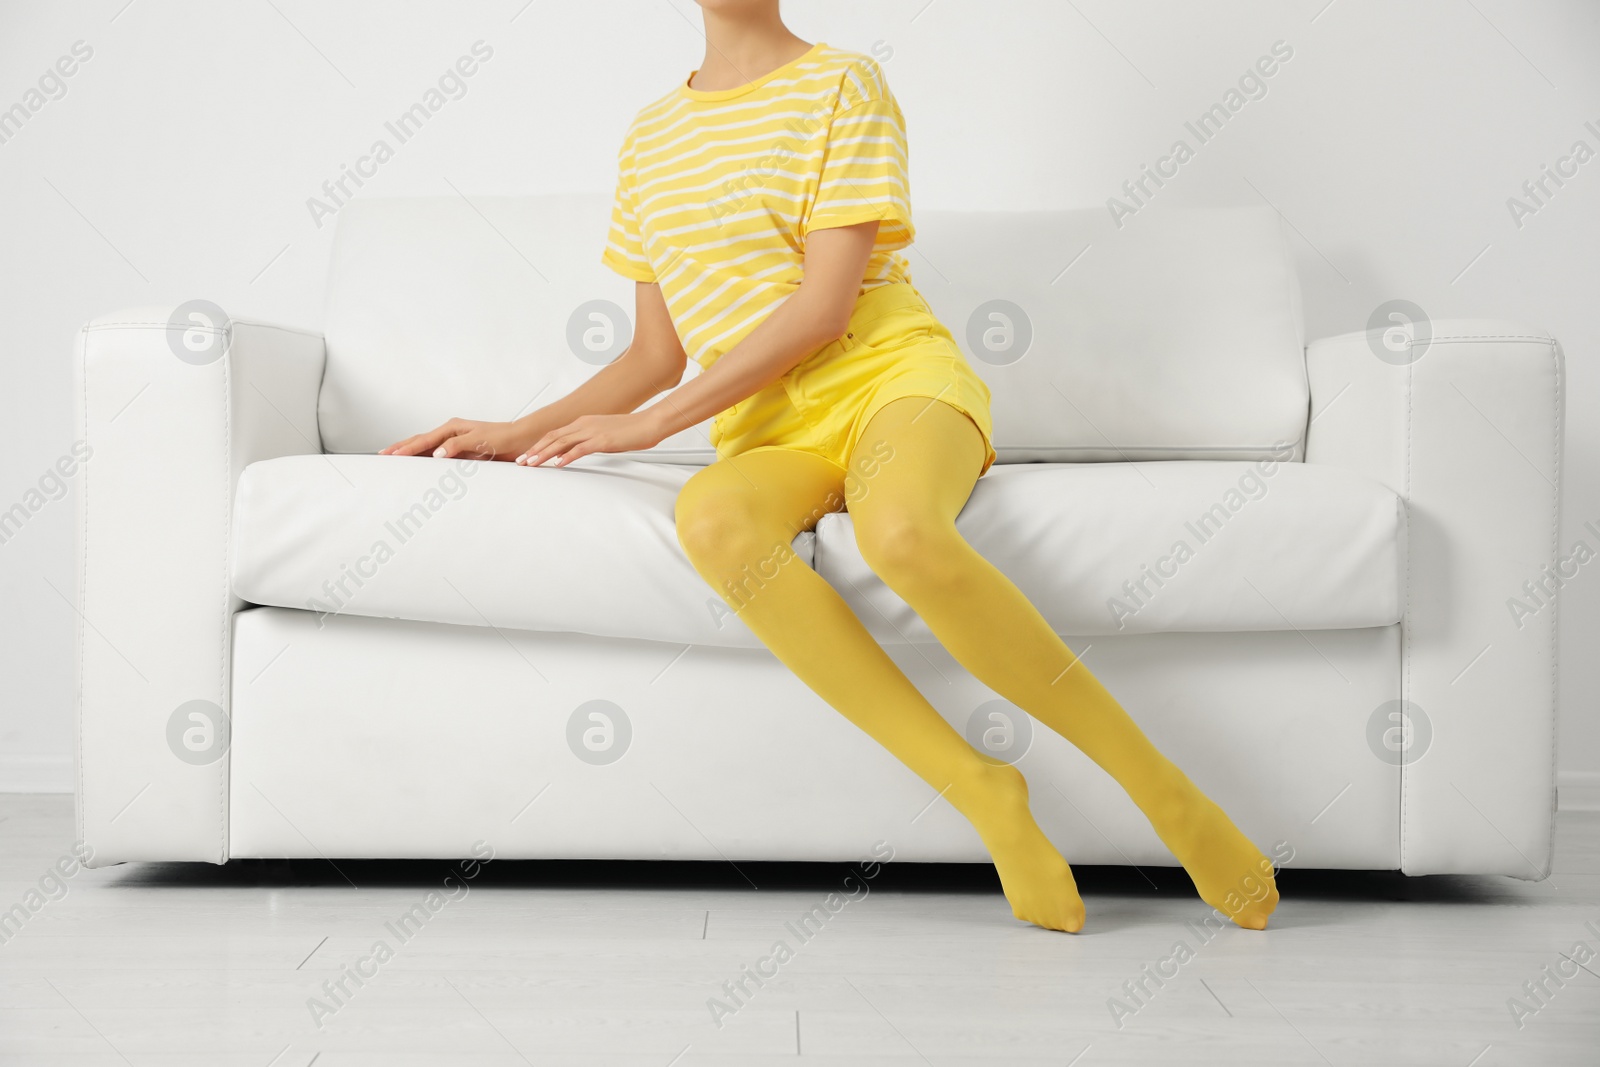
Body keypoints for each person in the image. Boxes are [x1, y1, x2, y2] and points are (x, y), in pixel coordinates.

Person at [381, 0, 1278, 933]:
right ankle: (981, 789)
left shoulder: (843, 82)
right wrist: (517, 426)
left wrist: (649, 427)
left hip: (895, 379)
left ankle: (1170, 797)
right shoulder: (650, 137)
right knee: (713, 517)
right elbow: (654, 353)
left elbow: (821, 310)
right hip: (770, 430)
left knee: (902, 535)